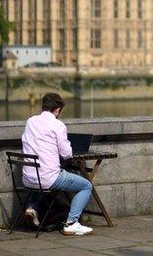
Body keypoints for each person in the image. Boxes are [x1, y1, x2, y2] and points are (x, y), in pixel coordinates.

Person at [20, 92, 94, 235]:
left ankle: (31, 208)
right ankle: (71, 223)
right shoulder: (57, 125)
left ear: (43, 106)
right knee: (86, 186)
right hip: (48, 179)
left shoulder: (30, 121)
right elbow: (66, 154)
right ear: (58, 109)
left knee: (41, 179)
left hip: (28, 177)